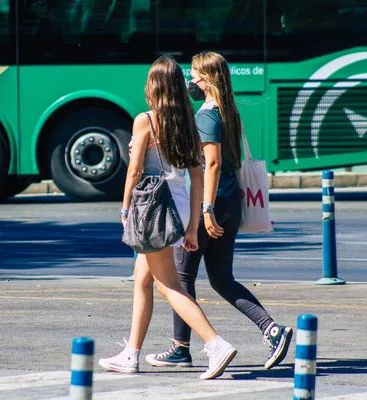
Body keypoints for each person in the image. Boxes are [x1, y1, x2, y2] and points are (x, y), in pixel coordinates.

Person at [145, 51, 293, 370]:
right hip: (232, 201)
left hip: (212, 203)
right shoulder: (230, 112)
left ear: (208, 79)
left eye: (195, 75)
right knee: (222, 278)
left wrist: (205, 210)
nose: (190, 82)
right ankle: (272, 330)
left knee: (182, 277)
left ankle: (181, 347)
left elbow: (211, 163)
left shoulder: (206, 116)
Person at [98, 55, 237, 380]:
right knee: (142, 279)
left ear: (153, 86)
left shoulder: (145, 120)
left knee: (168, 285)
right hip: (179, 205)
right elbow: (198, 175)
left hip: (154, 210)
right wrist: (191, 225)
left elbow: (134, 171)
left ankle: (214, 343)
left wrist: (124, 209)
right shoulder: (190, 121)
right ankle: (130, 354)